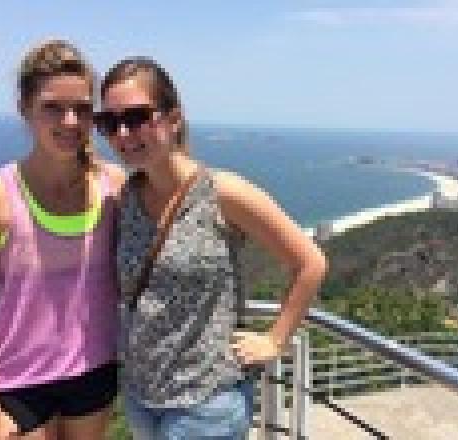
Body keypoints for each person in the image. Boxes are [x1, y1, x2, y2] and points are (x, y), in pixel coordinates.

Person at [96, 56, 328, 439]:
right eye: (110, 123)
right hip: (141, 398)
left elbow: (310, 262)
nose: (123, 133)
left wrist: (274, 339)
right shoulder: (127, 197)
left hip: (206, 403)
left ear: (173, 118)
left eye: (137, 117)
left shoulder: (222, 193)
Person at [0, 40, 124, 440]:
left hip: (93, 369)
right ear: (24, 108)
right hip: (18, 380)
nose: (69, 121)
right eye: (52, 107)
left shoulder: (113, 186)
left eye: (82, 109)